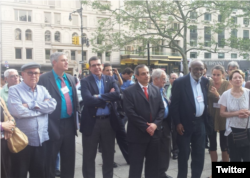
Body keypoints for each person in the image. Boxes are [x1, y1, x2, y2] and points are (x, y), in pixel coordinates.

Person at [8, 63, 57, 178]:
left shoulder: (42, 89)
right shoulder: (14, 90)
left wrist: (31, 105)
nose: (33, 75)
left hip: (41, 140)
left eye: (36, 73)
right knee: (19, 173)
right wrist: (42, 109)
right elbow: (18, 111)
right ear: (22, 75)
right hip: (22, 142)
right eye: (30, 73)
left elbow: (53, 105)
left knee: (39, 174)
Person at [38, 52, 80, 178]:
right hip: (52, 124)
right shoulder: (44, 79)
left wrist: (78, 118)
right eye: (63, 60)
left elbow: (75, 100)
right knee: (50, 158)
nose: (67, 62)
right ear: (54, 62)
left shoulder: (70, 78)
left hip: (69, 124)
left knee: (69, 157)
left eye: (67, 60)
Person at [170, 60, 212, 178]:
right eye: (196, 69)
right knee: (183, 154)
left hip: (200, 123)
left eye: (201, 69)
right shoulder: (180, 82)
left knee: (199, 154)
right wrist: (177, 123)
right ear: (189, 69)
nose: (199, 71)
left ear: (204, 70)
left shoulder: (205, 81)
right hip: (184, 124)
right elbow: (174, 105)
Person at [81, 56, 121, 178]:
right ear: (89, 67)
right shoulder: (85, 81)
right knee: (89, 156)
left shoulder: (110, 78)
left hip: (108, 122)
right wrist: (107, 97)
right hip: (91, 123)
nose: (96, 67)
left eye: (98, 64)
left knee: (108, 155)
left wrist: (98, 97)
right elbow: (88, 100)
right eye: (93, 65)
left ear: (102, 65)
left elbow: (117, 94)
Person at [123, 64, 165, 178]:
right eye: (143, 74)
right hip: (137, 136)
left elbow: (162, 109)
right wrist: (146, 127)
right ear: (136, 76)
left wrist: (155, 125)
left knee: (153, 167)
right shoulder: (128, 91)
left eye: (147, 73)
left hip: (154, 135)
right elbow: (130, 113)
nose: (147, 76)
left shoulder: (155, 89)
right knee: (136, 168)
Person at [219, 69, 250, 162]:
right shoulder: (226, 95)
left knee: (248, 158)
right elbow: (222, 113)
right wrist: (237, 113)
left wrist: (248, 112)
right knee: (235, 158)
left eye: (240, 77)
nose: (238, 79)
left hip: (248, 129)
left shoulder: (248, 93)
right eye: (235, 77)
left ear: (243, 80)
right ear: (231, 80)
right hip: (232, 131)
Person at [102, 63, 129, 165]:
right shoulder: (101, 83)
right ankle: (109, 161)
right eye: (107, 70)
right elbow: (99, 98)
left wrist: (108, 95)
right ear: (103, 71)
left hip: (118, 113)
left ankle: (129, 158)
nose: (110, 72)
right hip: (106, 115)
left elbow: (118, 95)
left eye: (111, 70)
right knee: (108, 140)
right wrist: (110, 95)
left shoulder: (114, 82)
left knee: (122, 137)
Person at [207, 65, 232, 172]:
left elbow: (229, 101)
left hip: (223, 117)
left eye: (218, 75)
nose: (215, 77)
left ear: (223, 75)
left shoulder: (227, 84)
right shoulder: (208, 83)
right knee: (212, 145)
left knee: (224, 145)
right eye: (214, 74)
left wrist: (217, 95)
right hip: (211, 116)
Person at [152, 69, 172, 178]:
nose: (165, 81)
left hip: (165, 124)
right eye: (164, 79)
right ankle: (156, 173)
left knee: (166, 149)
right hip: (155, 124)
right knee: (156, 151)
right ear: (156, 79)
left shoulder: (162, 89)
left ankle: (162, 172)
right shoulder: (150, 90)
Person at [0, 97, 15, 178]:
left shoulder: (0, 100)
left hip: (4, 143)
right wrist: (1, 126)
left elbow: (10, 117)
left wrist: (11, 128)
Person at [165, 73, 179, 160]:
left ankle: (175, 151)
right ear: (169, 79)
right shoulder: (165, 87)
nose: (174, 80)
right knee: (166, 132)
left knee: (175, 133)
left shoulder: (180, 87)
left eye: (175, 78)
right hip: (166, 113)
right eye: (172, 78)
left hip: (175, 113)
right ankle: (167, 151)